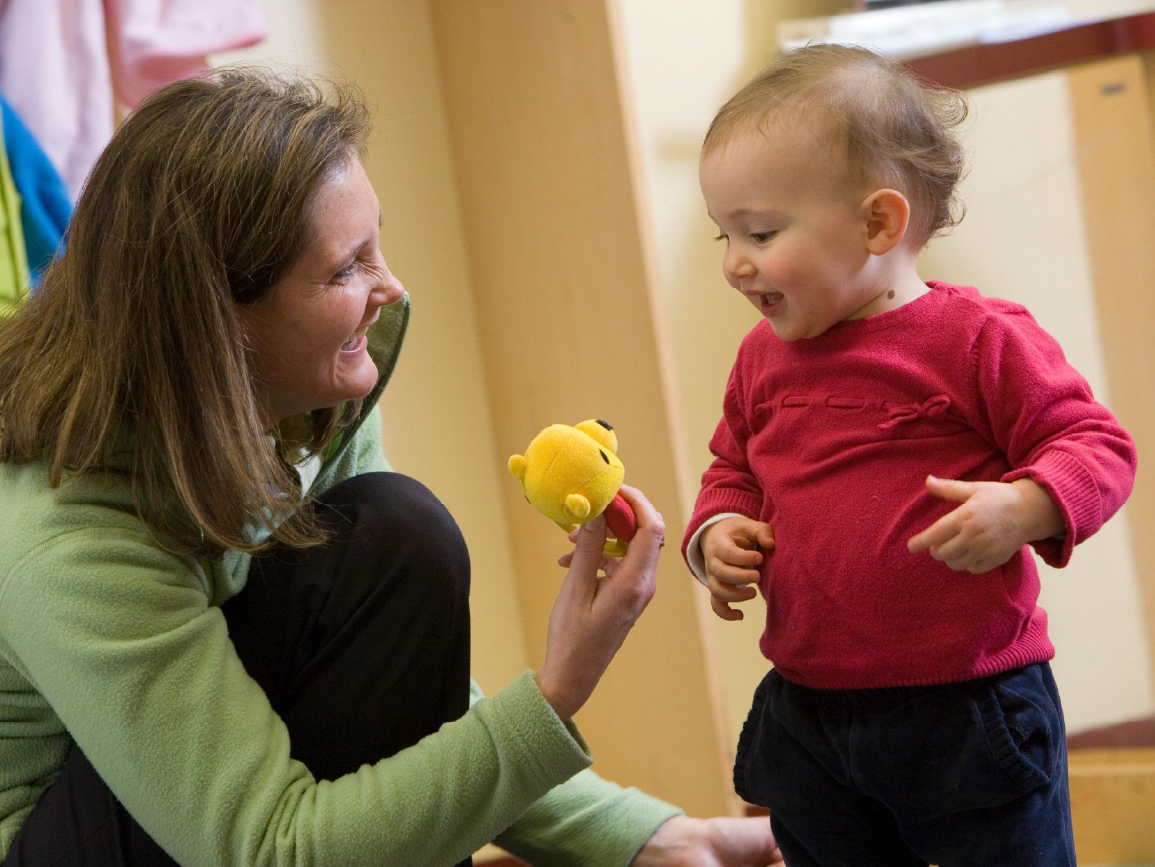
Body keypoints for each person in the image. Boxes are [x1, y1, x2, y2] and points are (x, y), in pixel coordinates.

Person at [0, 67, 784, 866]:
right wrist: (555, 692)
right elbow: (268, 847)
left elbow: (400, 693)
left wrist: (647, 837)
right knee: (404, 535)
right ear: (221, 322)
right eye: (346, 268)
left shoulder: (299, 392)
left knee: (392, 538)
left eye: (378, 242)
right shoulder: (69, 541)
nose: (391, 286)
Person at [682, 43, 1138, 867]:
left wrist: (1026, 504)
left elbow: (1097, 445)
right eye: (724, 234)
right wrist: (715, 530)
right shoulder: (760, 359)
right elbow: (732, 470)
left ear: (877, 222)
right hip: (811, 711)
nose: (735, 262)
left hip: (967, 708)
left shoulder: (975, 338)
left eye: (759, 232)